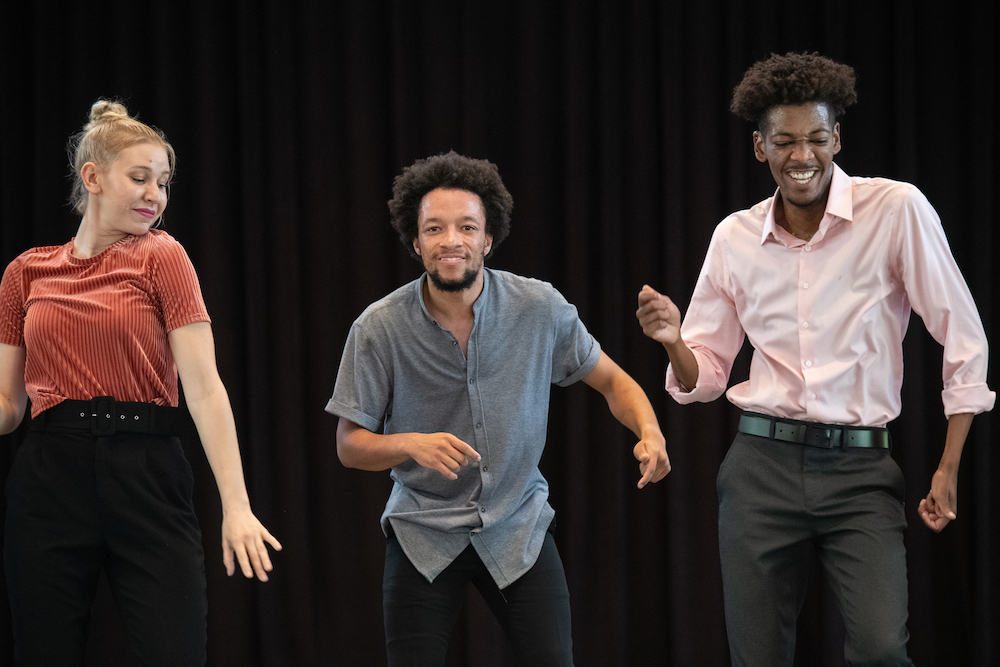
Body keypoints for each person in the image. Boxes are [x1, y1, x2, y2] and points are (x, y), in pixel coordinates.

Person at [637, 52, 994, 666]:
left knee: (882, 650)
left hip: (859, 473)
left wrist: (949, 465)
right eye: (784, 142)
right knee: (758, 657)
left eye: (815, 138)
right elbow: (704, 378)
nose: (801, 156)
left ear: (837, 138)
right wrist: (673, 341)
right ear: (760, 148)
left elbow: (963, 337)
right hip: (760, 468)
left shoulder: (896, 209)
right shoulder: (734, 237)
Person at [327, 151, 670, 666]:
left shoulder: (539, 307)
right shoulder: (378, 328)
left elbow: (614, 382)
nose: (451, 241)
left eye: (467, 227)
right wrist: (408, 444)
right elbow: (349, 446)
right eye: (435, 229)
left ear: (488, 238)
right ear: (415, 240)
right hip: (423, 530)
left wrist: (650, 431)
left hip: (518, 524)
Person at [0, 100, 282, 665]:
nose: (155, 194)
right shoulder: (26, 271)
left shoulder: (162, 256)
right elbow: (8, 404)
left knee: (173, 649)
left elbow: (204, 388)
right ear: (93, 177)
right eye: (140, 178)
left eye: (163, 181)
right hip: (51, 473)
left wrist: (237, 504)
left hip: (146, 468)